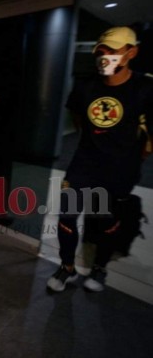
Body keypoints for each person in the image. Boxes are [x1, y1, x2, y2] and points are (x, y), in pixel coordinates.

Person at [47, 26, 153, 293]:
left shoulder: (145, 88)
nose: (105, 57)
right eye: (101, 51)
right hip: (84, 165)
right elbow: (80, 121)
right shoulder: (85, 87)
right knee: (66, 216)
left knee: (107, 221)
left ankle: (100, 268)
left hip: (120, 170)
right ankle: (67, 267)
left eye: (113, 51)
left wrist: (132, 157)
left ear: (131, 53)